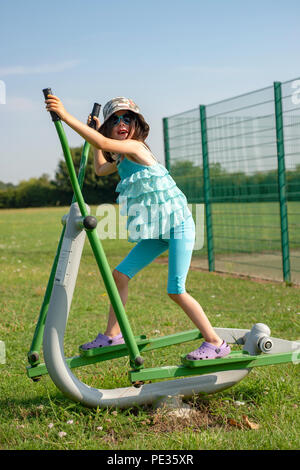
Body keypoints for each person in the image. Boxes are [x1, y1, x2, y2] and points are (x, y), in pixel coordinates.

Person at [45, 94, 231, 360]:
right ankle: (112, 335)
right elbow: (99, 168)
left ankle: (215, 343)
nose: (122, 123)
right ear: (108, 127)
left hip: (177, 226)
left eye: (128, 118)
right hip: (159, 231)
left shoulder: (136, 147)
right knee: (119, 276)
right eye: (116, 120)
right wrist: (96, 134)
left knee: (176, 290)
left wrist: (65, 115)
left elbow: (100, 141)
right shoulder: (121, 158)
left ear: (136, 125)